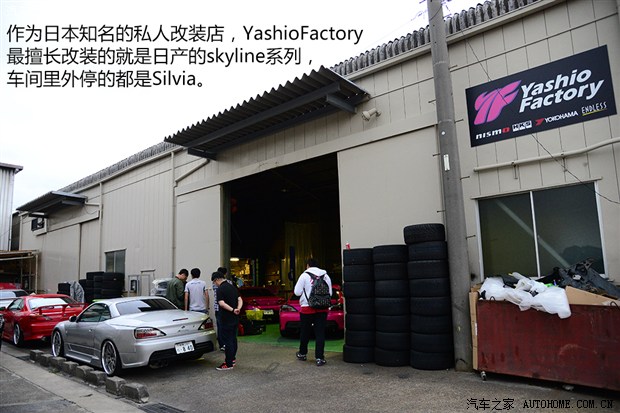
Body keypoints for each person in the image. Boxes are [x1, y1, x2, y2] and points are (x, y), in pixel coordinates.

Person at [293, 258, 332, 367]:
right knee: (320, 333)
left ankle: (302, 353)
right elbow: (330, 293)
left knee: (305, 332)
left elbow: (297, 292)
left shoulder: (304, 276)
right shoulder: (326, 276)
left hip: (307, 308)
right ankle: (319, 358)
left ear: (307, 265)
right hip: (322, 309)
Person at [212, 271, 242, 371]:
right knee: (233, 339)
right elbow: (240, 299)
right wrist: (238, 309)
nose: (214, 284)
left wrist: (232, 310)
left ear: (217, 280)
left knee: (228, 341)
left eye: (214, 282)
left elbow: (221, 303)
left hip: (226, 318)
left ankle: (228, 363)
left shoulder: (220, 289)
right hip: (235, 318)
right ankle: (232, 359)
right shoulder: (232, 287)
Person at [213, 267, 230, 351]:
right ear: (225, 274)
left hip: (217, 308)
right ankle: (227, 343)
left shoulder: (214, 283)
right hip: (226, 307)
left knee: (220, 326)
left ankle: (221, 344)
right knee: (226, 325)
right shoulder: (229, 283)